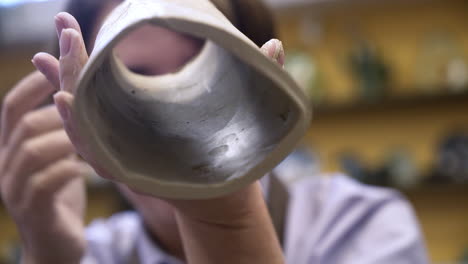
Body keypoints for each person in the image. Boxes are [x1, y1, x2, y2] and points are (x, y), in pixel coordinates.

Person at [0, 0, 429, 263]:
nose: (172, 116)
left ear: (260, 79)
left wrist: (225, 218)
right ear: (88, 112)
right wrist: (46, 255)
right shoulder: (91, 253)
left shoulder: (357, 227)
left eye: (194, 63)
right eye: (136, 76)